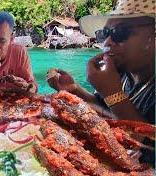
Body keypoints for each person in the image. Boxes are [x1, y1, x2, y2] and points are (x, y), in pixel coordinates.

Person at [47, 0, 155, 166]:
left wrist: (113, 94)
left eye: (119, 33)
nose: (106, 43)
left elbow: (150, 146)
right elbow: (109, 110)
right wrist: (75, 89)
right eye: (105, 33)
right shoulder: (124, 75)